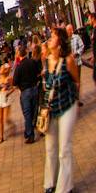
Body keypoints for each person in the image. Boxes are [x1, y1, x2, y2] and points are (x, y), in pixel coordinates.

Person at [42, 26, 80, 193]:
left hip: (67, 106)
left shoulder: (68, 60)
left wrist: (76, 100)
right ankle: (50, 183)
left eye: (53, 36)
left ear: (60, 42)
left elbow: (76, 81)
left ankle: (65, 187)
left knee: (64, 148)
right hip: (50, 109)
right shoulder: (47, 59)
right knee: (50, 148)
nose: (49, 38)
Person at [13, 45, 41, 143]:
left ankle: (30, 134)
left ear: (19, 55)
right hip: (34, 89)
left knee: (27, 113)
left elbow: (15, 82)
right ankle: (30, 129)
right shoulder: (32, 62)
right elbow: (38, 73)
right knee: (33, 111)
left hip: (25, 91)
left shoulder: (19, 67)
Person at [0, 63, 14, 144]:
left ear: (5, 70)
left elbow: (13, 88)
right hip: (0, 98)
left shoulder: (9, 78)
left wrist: (8, 92)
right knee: (0, 119)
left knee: (6, 118)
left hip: (6, 98)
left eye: (1, 68)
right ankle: (1, 136)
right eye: (0, 68)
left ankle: (11, 124)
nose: (0, 70)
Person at [66, 24, 84, 107]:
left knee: (77, 81)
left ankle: (77, 99)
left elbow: (82, 46)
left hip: (77, 62)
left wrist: (76, 53)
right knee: (71, 82)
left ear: (71, 30)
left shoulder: (76, 37)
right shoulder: (66, 40)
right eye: (67, 30)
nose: (67, 32)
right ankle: (73, 99)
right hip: (69, 64)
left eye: (68, 30)